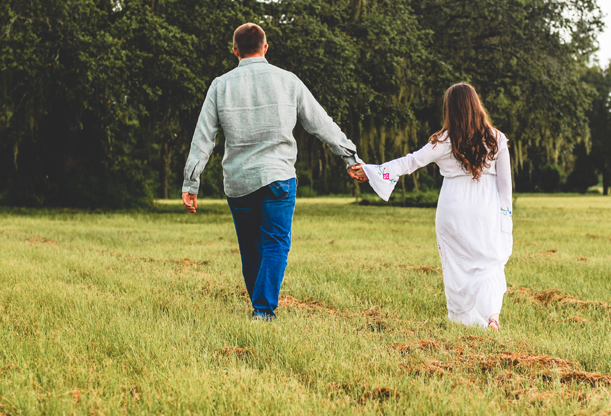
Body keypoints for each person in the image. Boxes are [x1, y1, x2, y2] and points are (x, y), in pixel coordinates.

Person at [181, 23, 368, 321]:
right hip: (278, 177)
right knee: (276, 243)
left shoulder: (220, 85)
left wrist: (191, 183)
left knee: (251, 249)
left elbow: (203, 138)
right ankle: (263, 310)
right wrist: (350, 157)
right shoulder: (288, 80)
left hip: (239, 181)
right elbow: (321, 123)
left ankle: (260, 308)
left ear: (235, 51)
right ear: (265, 48)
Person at [362, 83, 512, 329]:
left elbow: (410, 162)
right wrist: (505, 219)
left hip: (453, 209)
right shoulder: (497, 139)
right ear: (477, 105)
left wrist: (372, 171)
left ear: (450, 110)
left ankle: (464, 319)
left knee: (457, 263)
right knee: (488, 263)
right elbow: (505, 187)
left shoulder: (443, 140)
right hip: (486, 209)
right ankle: (491, 316)